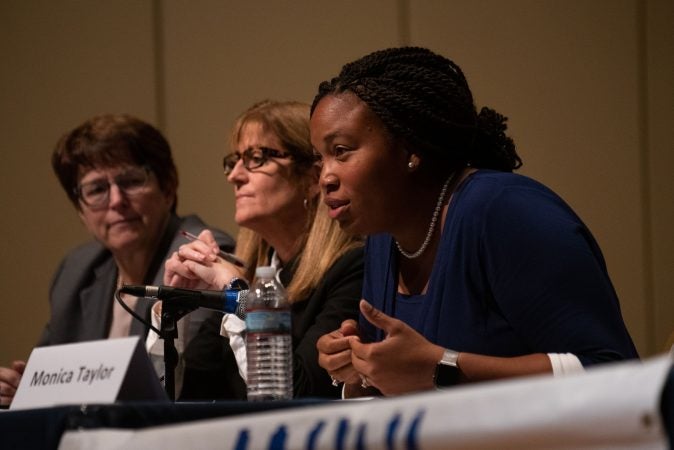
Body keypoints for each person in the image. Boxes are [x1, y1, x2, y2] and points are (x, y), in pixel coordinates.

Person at [310, 47, 638, 398]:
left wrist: (442, 369)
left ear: (409, 149)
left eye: (341, 150)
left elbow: (614, 373)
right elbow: (405, 389)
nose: (325, 178)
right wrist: (359, 373)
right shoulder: (382, 240)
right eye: (320, 158)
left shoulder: (504, 212)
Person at [0, 113, 235, 406]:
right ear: (80, 210)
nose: (116, 201)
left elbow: (177, 376)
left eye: (131, 181)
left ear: (168, 186)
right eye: (97, 189)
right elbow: (52, 375)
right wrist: (25, 391)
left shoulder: (201, 255)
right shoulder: (76, 271)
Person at [163, 100, 364, 399]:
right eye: (234, 161)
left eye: (256, 158)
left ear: (311, 178)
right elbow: (189, 395)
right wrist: (178, 310)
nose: (235, 176)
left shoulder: (352, 267)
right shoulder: (250, 272)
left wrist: (239, 295)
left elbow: (295, 395)